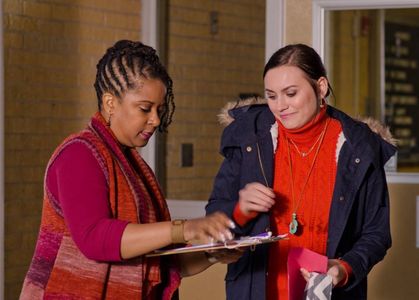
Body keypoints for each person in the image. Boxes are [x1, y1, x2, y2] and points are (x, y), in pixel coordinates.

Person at [20, 40, 238, 300]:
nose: (156, 120)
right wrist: (185, 228)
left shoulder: (134, 167)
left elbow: (161, 263)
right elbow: (95, 238)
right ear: (110, 103)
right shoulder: (78, 154)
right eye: (145, 108)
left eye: (160, 110)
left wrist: (212, 253)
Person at [206, 44, 397, 299]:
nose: (280, 106)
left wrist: (344, 268)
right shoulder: (248, 137)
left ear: (321, 87)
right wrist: (241, 209)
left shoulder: (359, 147)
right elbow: (212, 216)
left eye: (291, 93)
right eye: (271, 96)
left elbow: (376, 234)